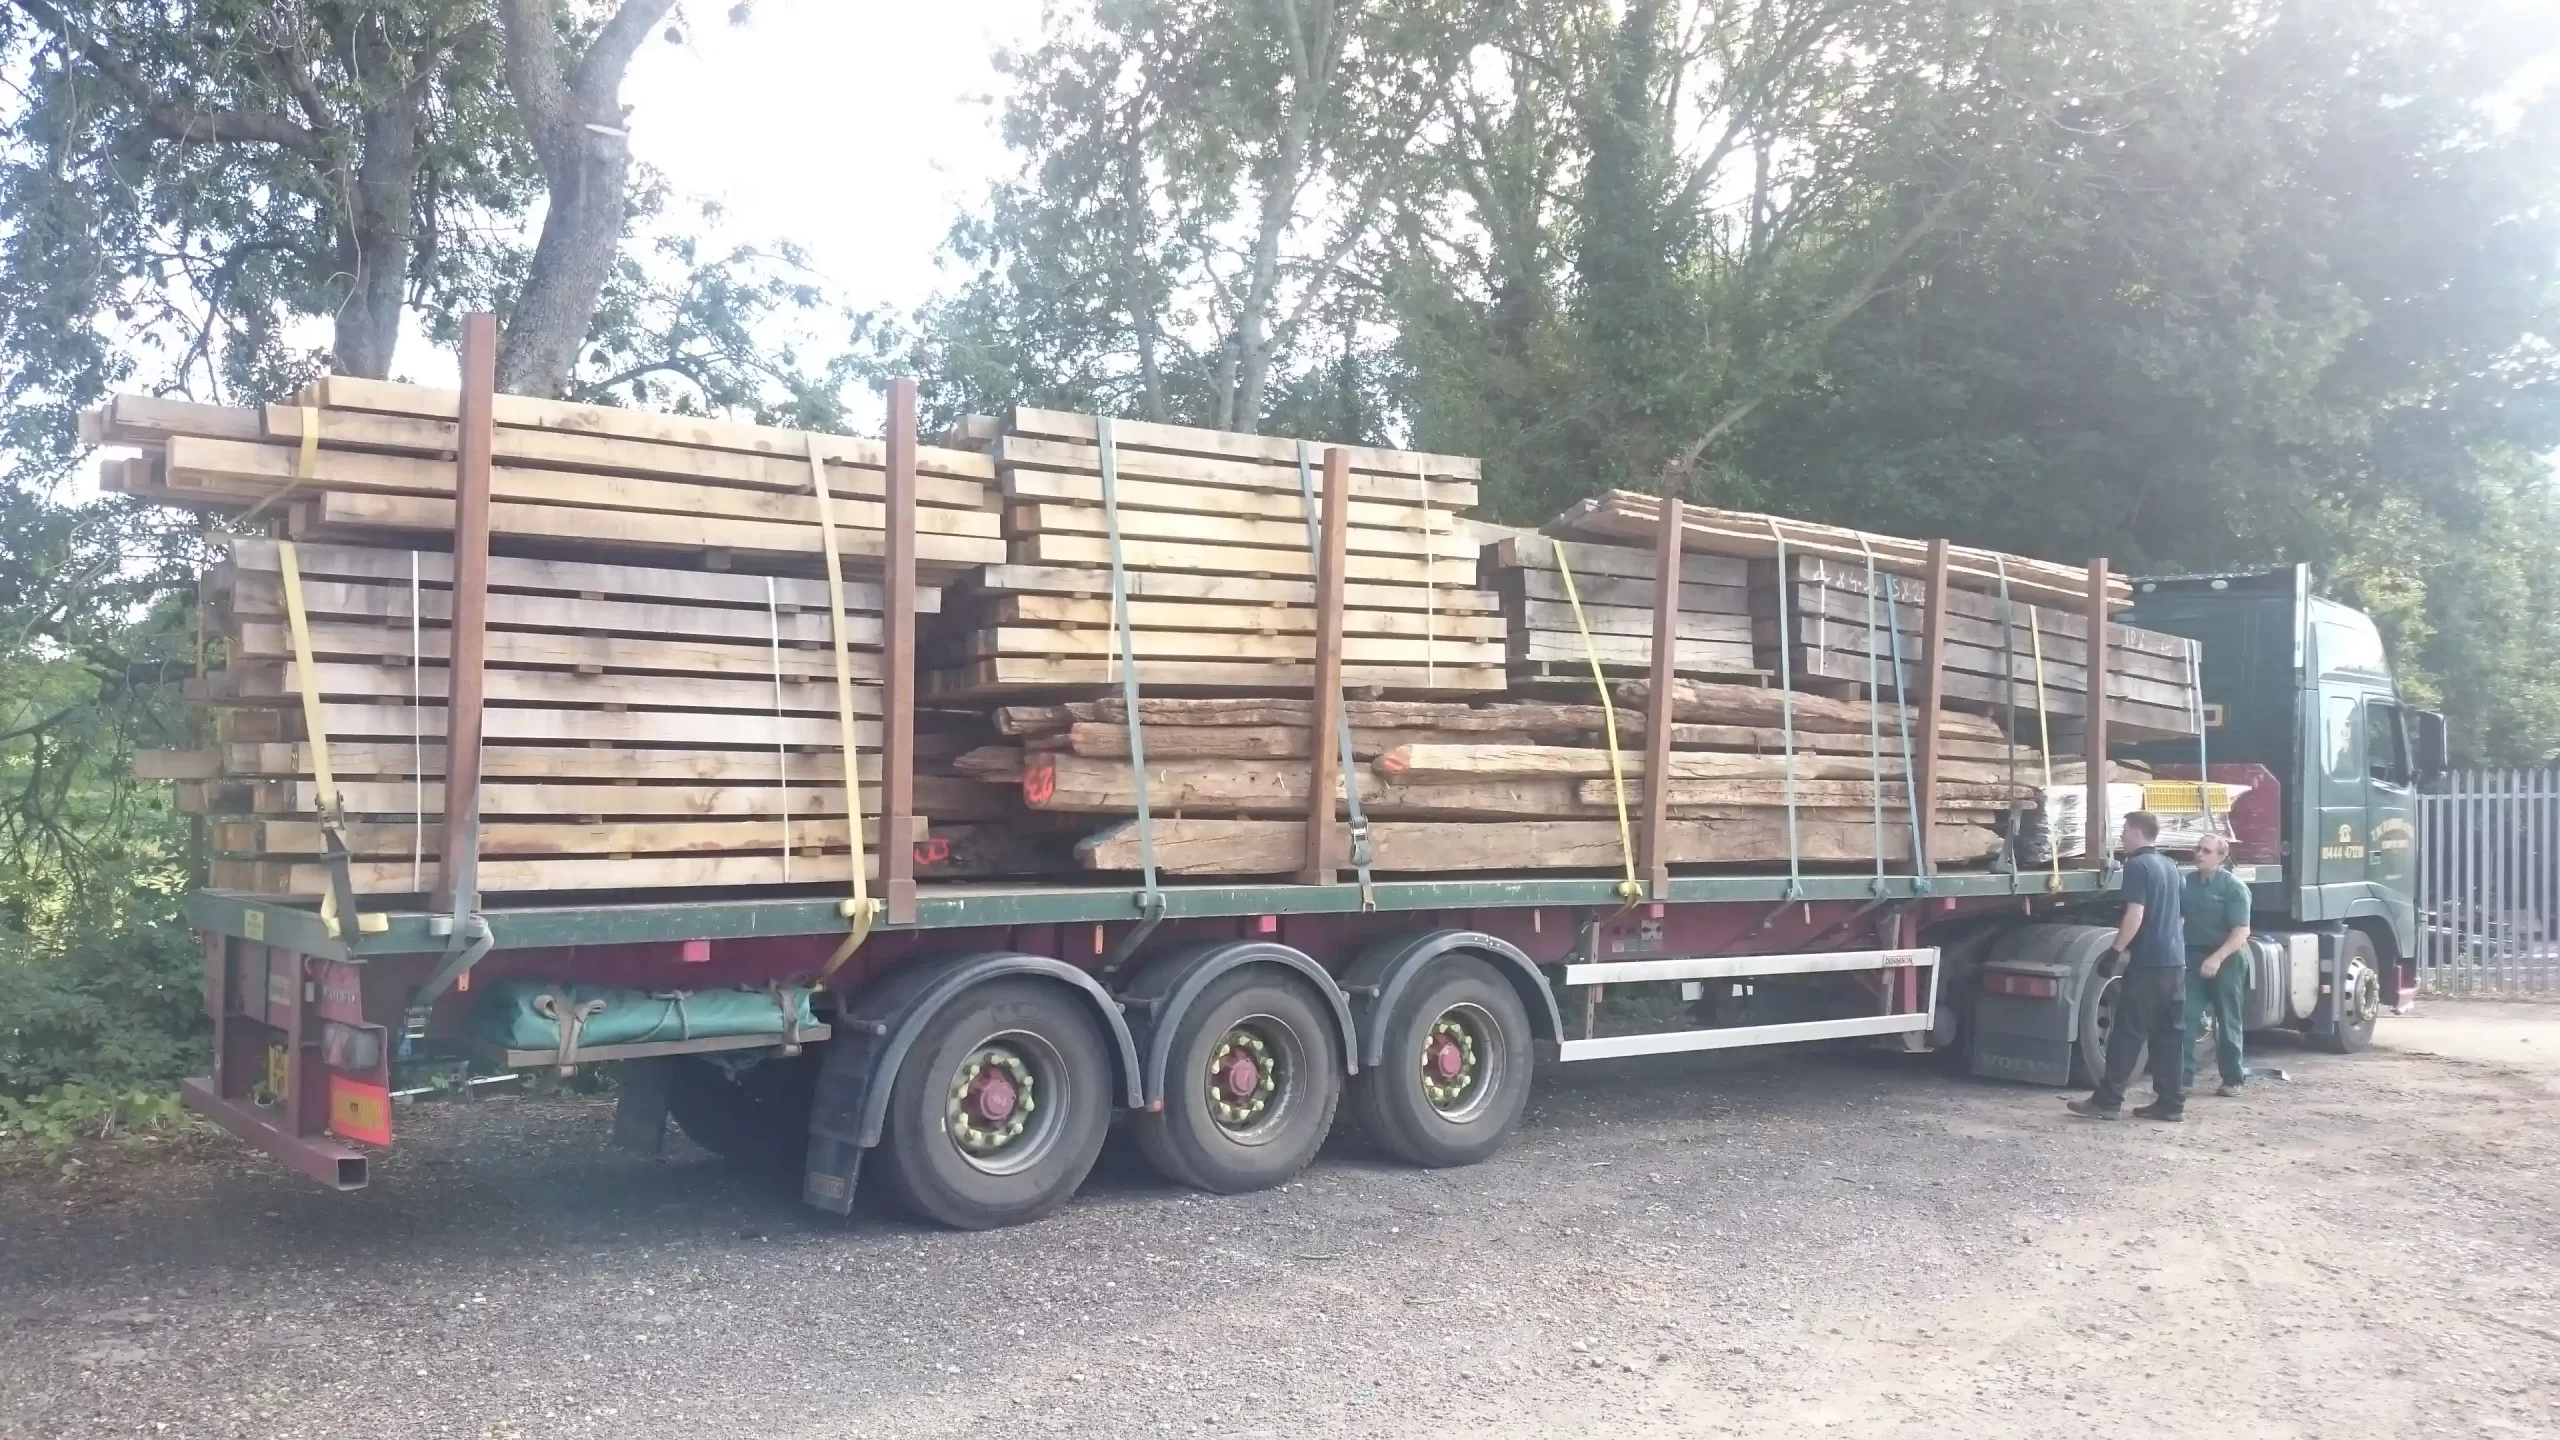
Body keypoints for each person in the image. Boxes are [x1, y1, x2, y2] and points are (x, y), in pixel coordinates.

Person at [2067, 811, 2187, 1121]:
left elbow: (2135, 914)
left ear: (2136, 832)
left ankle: (2107, 1101)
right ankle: (2171, 1103)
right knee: (2168, 1035)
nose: (2121, 835)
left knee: (2128, 1032)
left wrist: (2115, 951)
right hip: (2174, 962)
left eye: (2124, 830)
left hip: (2148, 963)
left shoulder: (2138, 866)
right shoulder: (2169, 865)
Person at [2181, 833, 2253, 1097]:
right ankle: (2182, 1080)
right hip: (2193, 955)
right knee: (2185, 1016)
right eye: (2197, 848)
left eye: (2206, 851)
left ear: (2222, 857)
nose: (2199, 854)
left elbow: (2241, 931)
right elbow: (2180, 918)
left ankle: (2233, 1079)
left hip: (2227, 959)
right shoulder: (2188, 883)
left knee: (2227, 1018)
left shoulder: (2233, 887)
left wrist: (2217, 958)